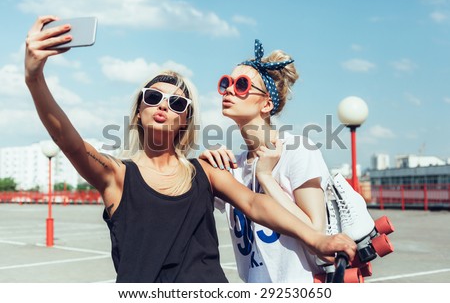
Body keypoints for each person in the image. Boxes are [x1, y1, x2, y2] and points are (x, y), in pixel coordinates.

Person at [25, 16, 355, 283]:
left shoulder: (206, 172)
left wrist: (318, 240)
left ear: (186, 119)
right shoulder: (117, 175)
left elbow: (255, 204)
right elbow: (68, 141)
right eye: (152, 97)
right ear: (139, 110)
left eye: (176, 102)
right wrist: (34, 78)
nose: (163, 105)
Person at [200, 39, 334, 282]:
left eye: (241, 85)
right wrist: (200, 170)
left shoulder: (298, 150)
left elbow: (316, 234)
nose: (229, 90)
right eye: (226, 83)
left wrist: (266, 177)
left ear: (267, 104)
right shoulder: (234, 167)